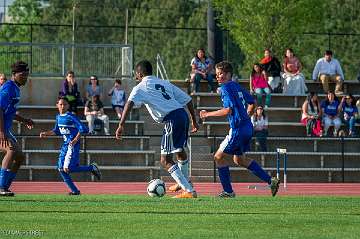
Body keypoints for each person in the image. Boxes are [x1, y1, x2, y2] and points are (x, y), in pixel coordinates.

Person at [116, 60, 199, 198]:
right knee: (179, 151)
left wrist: (121, 125)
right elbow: (188, 99)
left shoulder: (140, 87)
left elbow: (129, 103)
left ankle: (188, 190)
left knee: (165, 160)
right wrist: (194, 121)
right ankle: (183, 182)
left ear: (139, 74)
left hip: (171, 119)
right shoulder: (164, 83)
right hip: (182, 115)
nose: (136, 77)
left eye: (136, 74)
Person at [199, 61, 280, 198]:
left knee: (218, 157)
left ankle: (228, 192)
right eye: (217, 74)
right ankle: (270, 181)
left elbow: (228, 110)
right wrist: (246, 116)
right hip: (247, 127)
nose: (218, 76)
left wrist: (207, 114)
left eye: (221, 74)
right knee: (239, 160)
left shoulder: (225, 88)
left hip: (238, 129)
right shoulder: (236, 86)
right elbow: (252, 102)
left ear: (228, 74)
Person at [40, 97, 101, 195]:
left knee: (68, 168)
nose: (62, 106)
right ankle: (75, 191)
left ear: (68, 106)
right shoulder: (58, 117)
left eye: (64, 104)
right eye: (60, 104)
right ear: (57, 105)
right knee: (61, 168)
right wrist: (46, 133)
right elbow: (57, 131)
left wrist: (75, 139)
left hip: (72, 146)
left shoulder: (71, 116)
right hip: (65, 146)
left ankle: (91, 168)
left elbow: (83, 128)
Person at [0, 61, 34, 196]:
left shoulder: (15, 88)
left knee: (19, 157)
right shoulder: (8, 88)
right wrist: (1, 131)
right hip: (1, 129)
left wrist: (25, 120)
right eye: (23, 75)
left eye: (27, 75)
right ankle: (1, 187)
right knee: (11, 150)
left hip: (5, 129)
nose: (25, 77)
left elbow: (9, 112)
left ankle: (5, 186)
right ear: (14, 74)